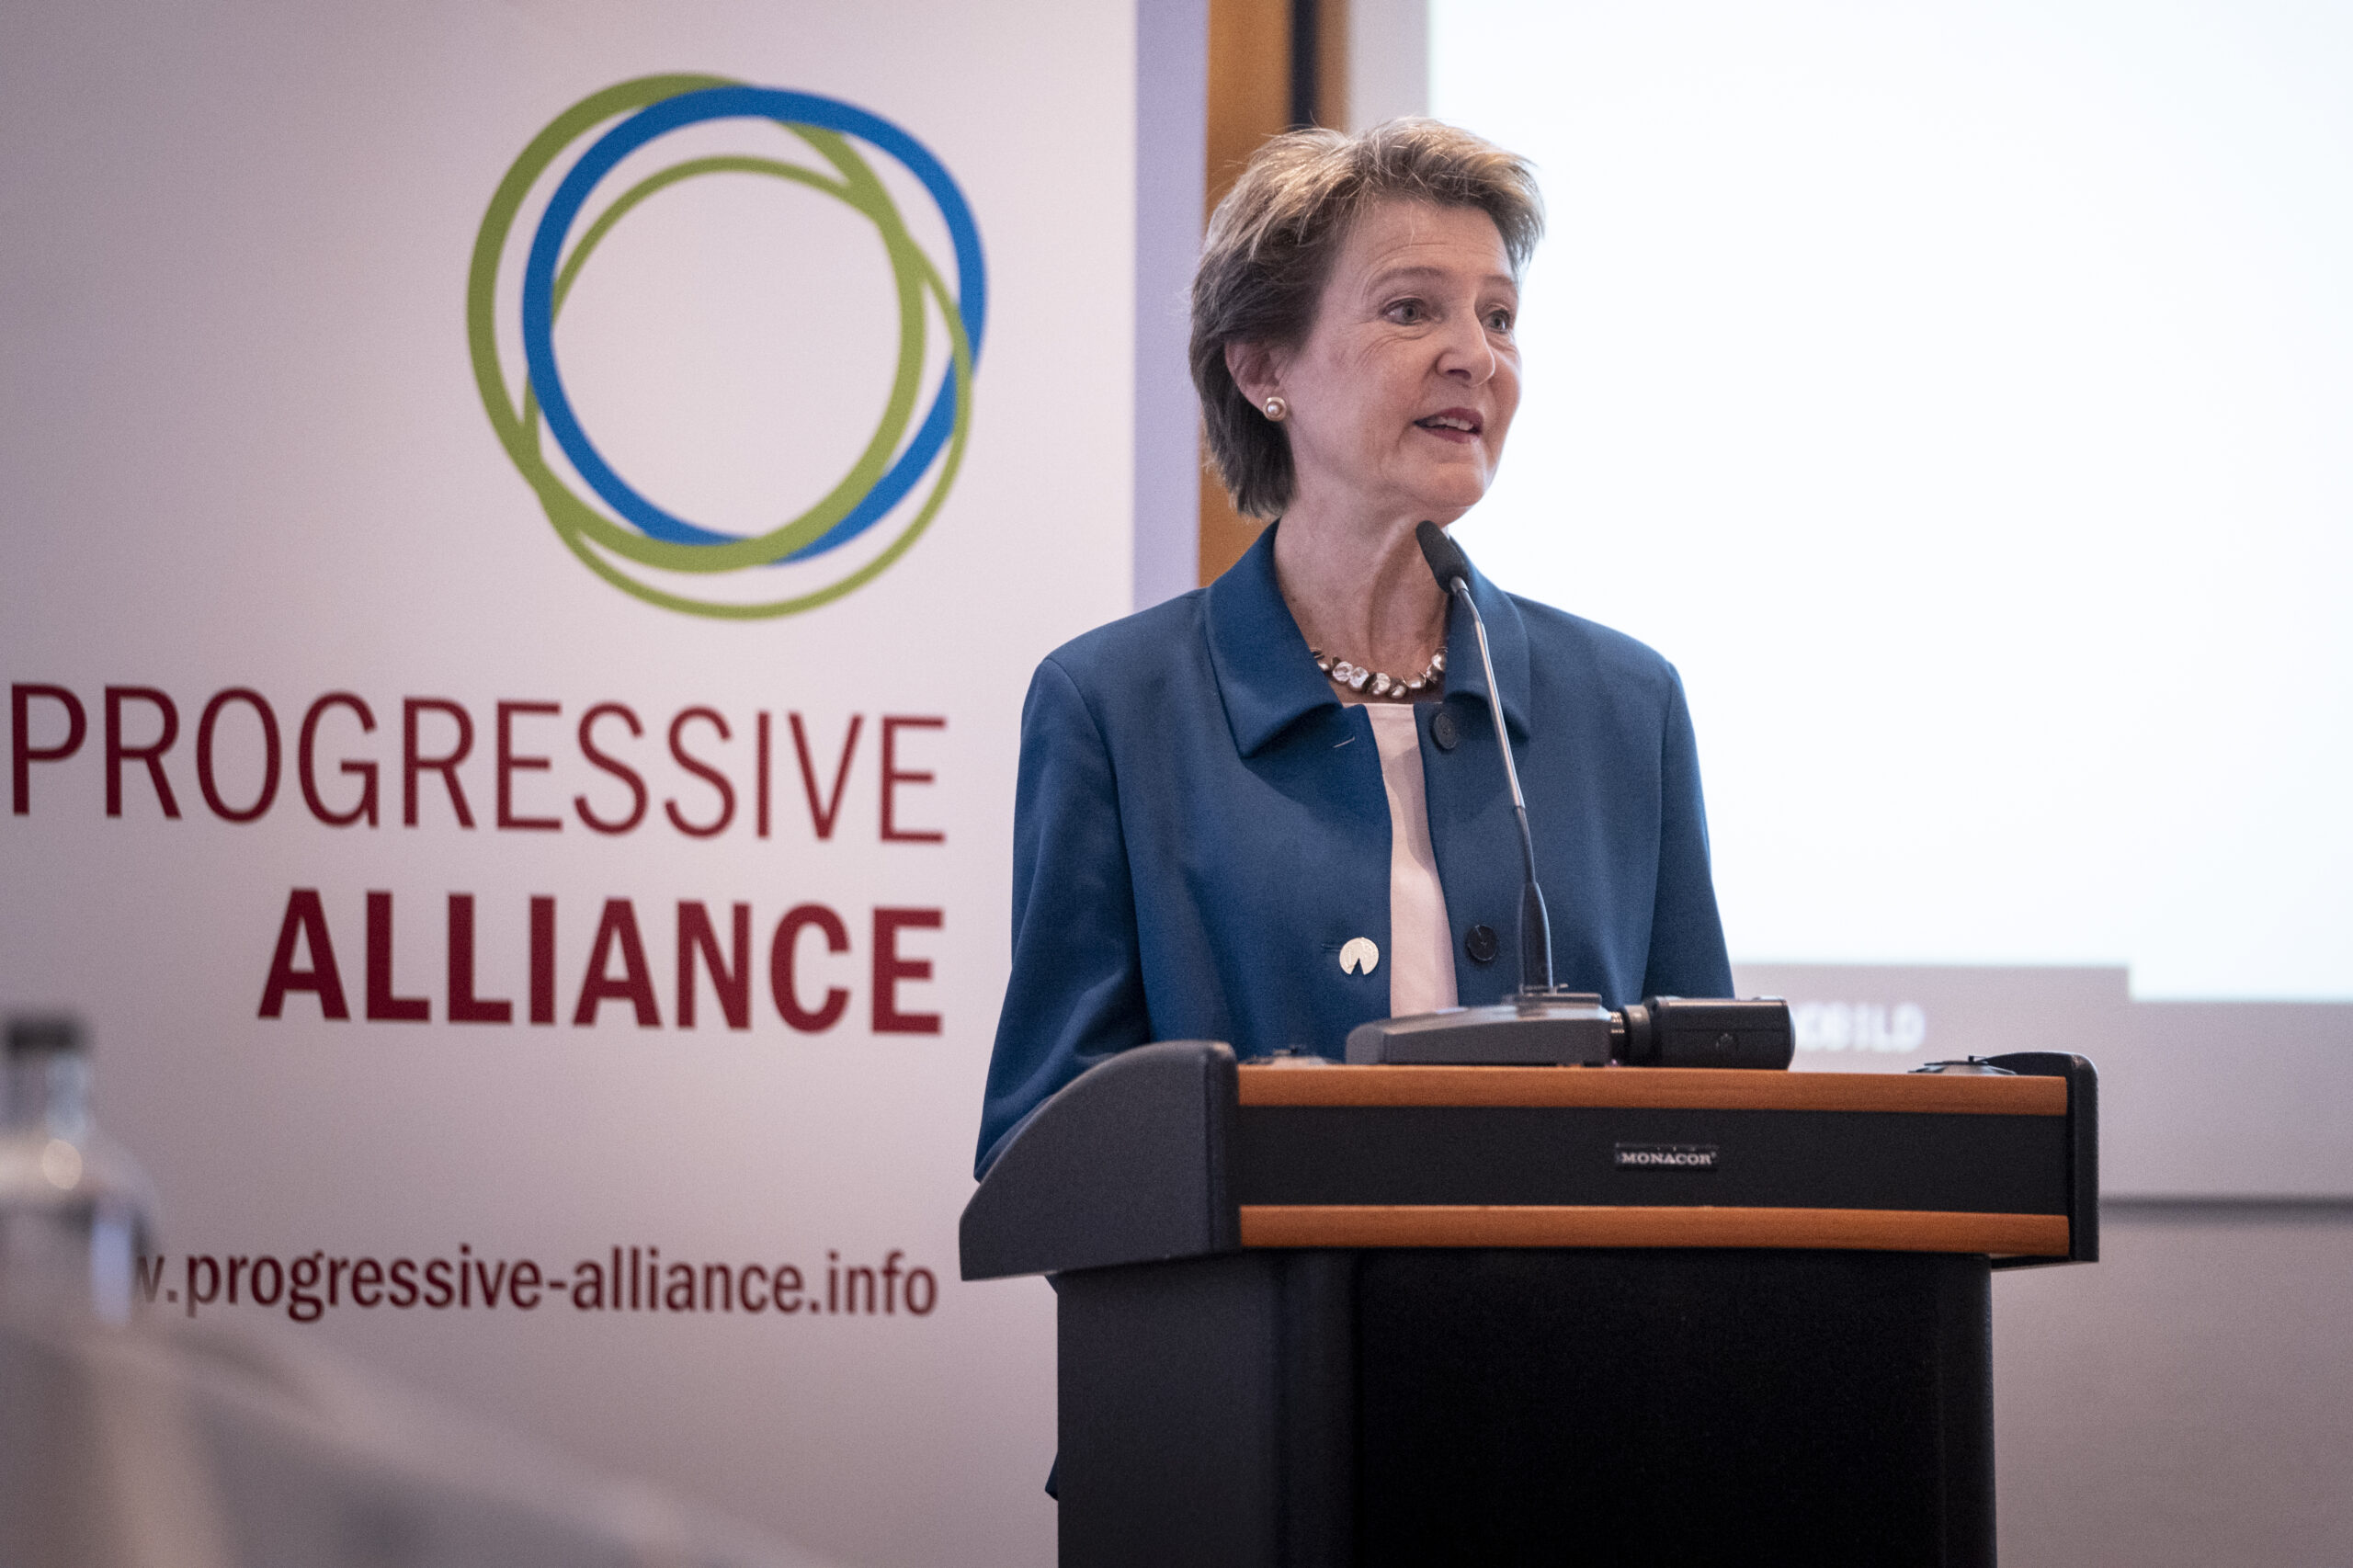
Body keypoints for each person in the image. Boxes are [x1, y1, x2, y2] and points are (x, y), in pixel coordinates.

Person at [976, 120, 1732, 1176]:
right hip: (1261, 1286)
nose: (1476, 355)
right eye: (1411, 309)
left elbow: (1711, 1114)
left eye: (1499, 316)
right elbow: (1045, 1141)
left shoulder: (1624, 704)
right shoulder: (1115, 706)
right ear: (1262, 366)